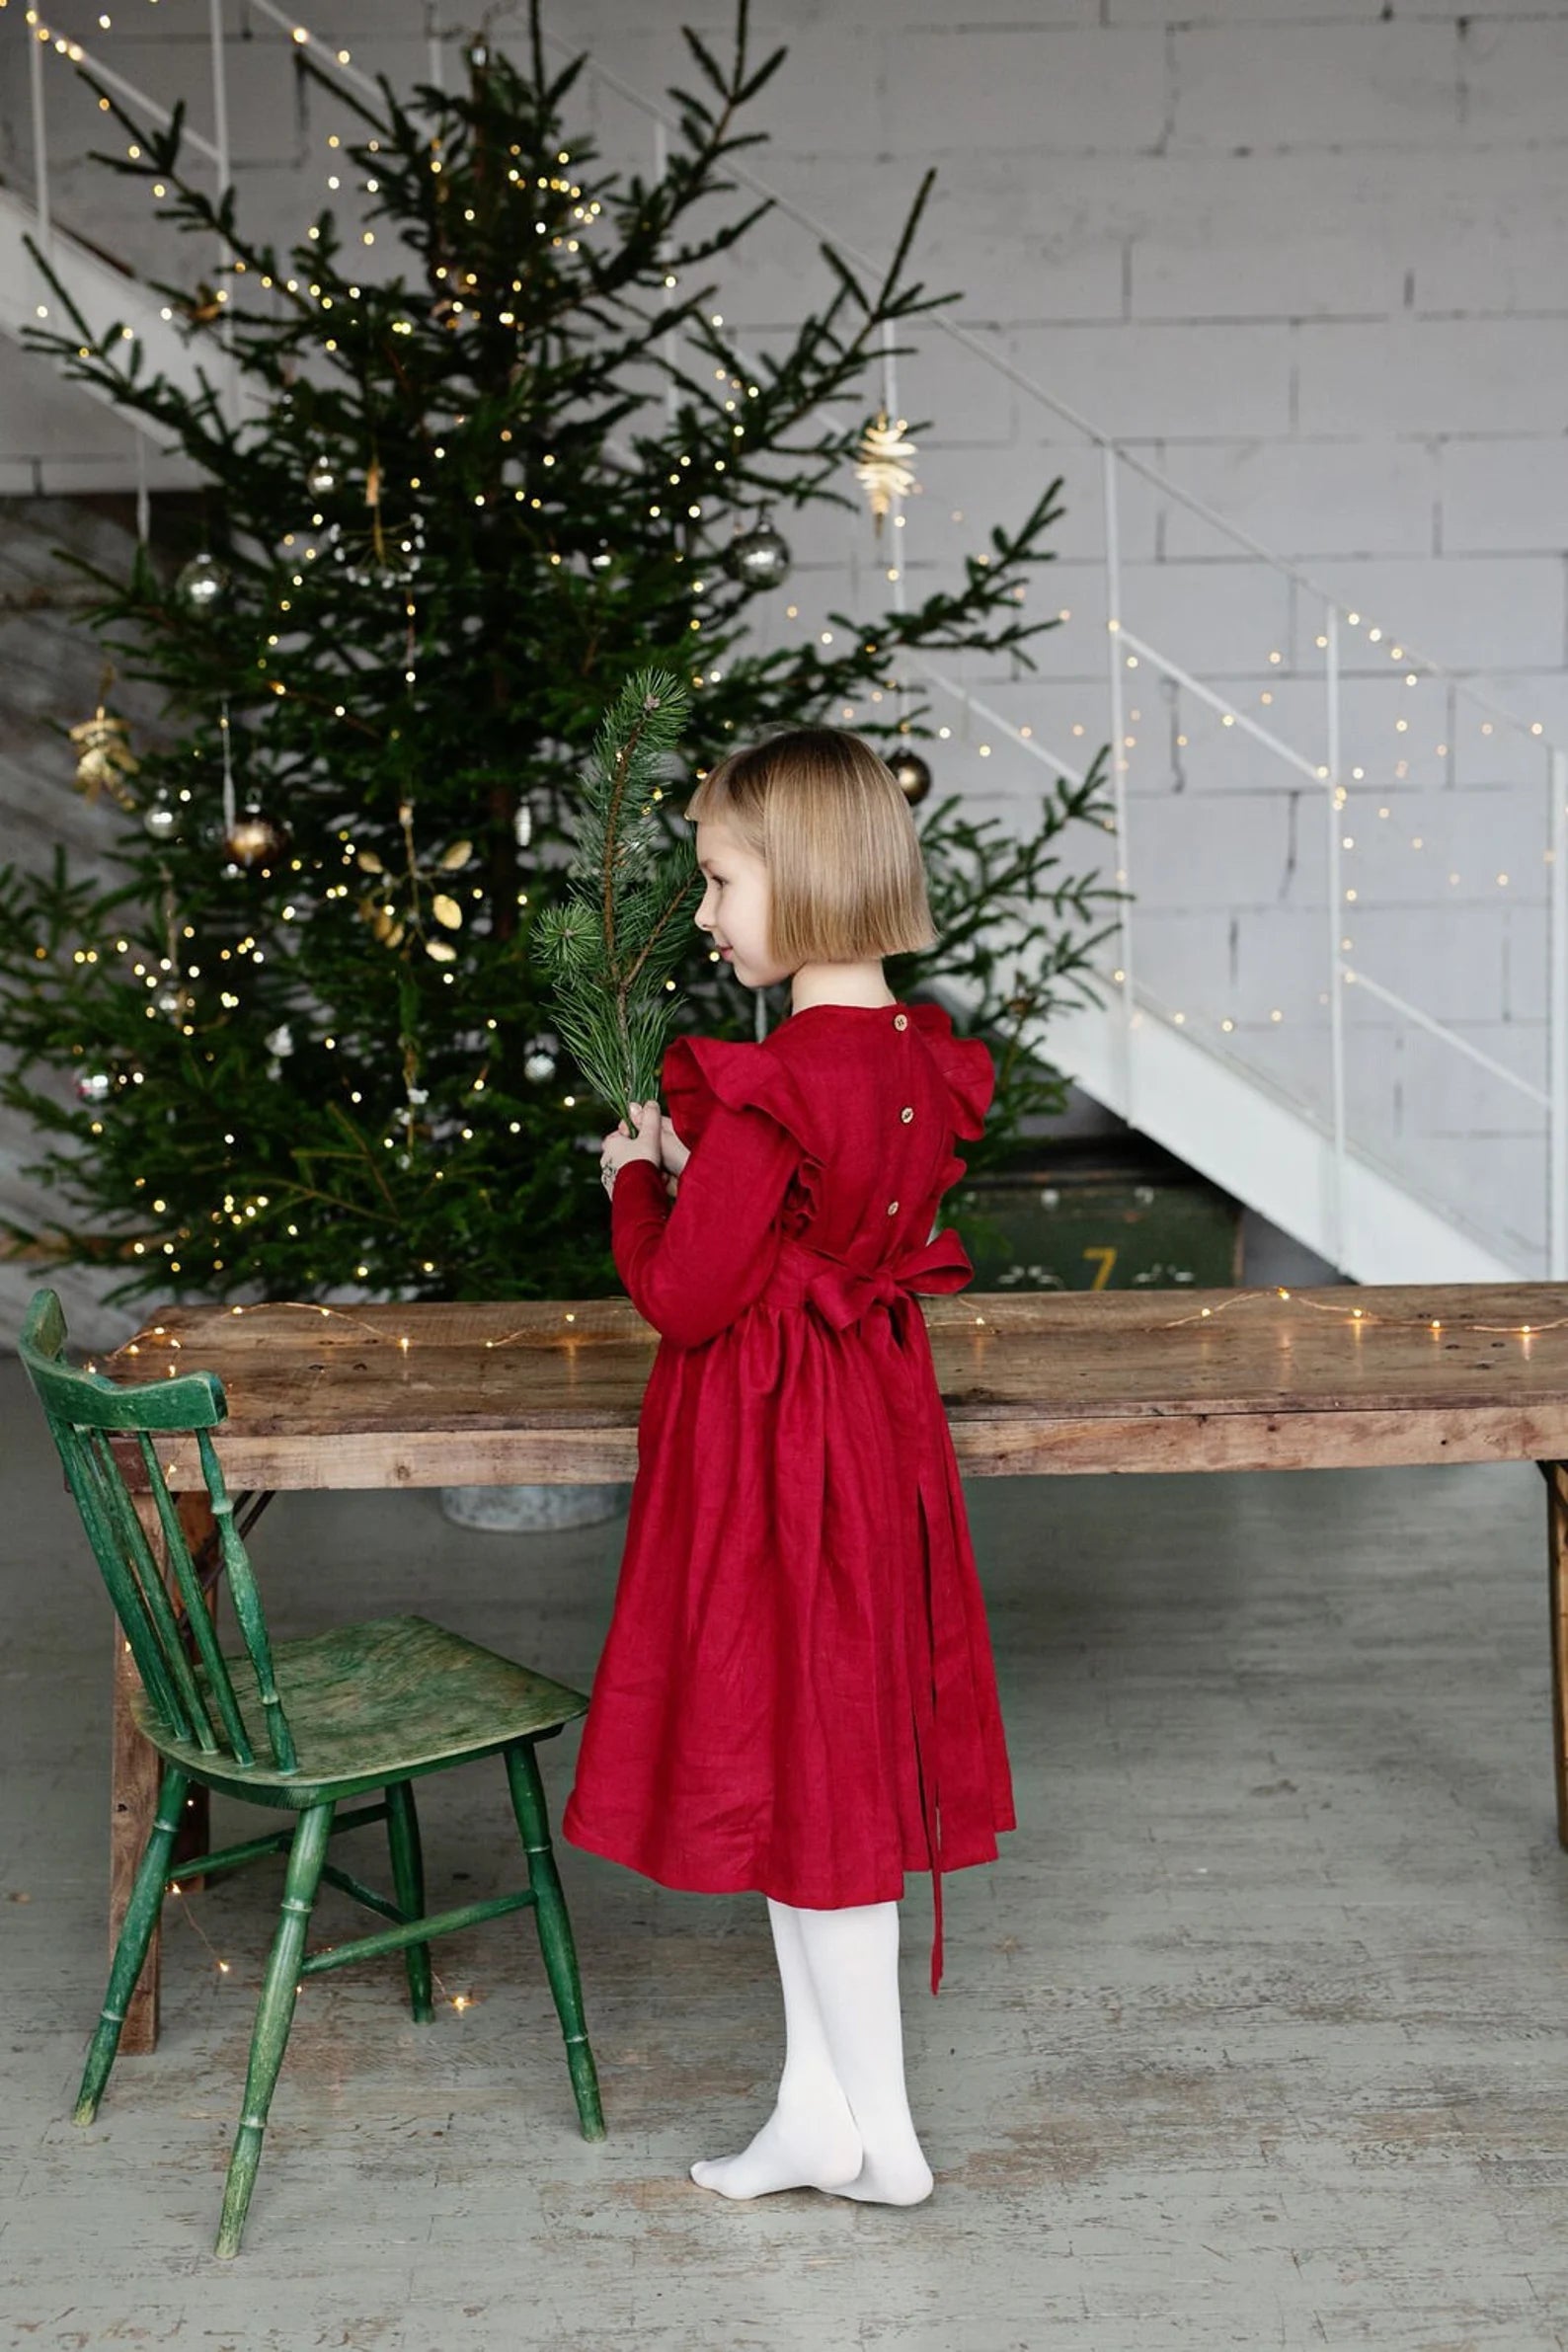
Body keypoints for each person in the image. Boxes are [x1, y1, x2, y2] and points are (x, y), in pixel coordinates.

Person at [562, 726, 1014, 2206]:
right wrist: (706, 1180)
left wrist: (635, 1182)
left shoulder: (767, 1081)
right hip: (871, 1426)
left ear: (806, 879)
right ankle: (815, 2111)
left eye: (719, 881)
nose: (703, 912)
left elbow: (689, 1294)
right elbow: (823, 1220)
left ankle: (888, 2135)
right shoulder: (918, 1057)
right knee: (812, 1761)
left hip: (775, 1447)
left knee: (807, 1777)